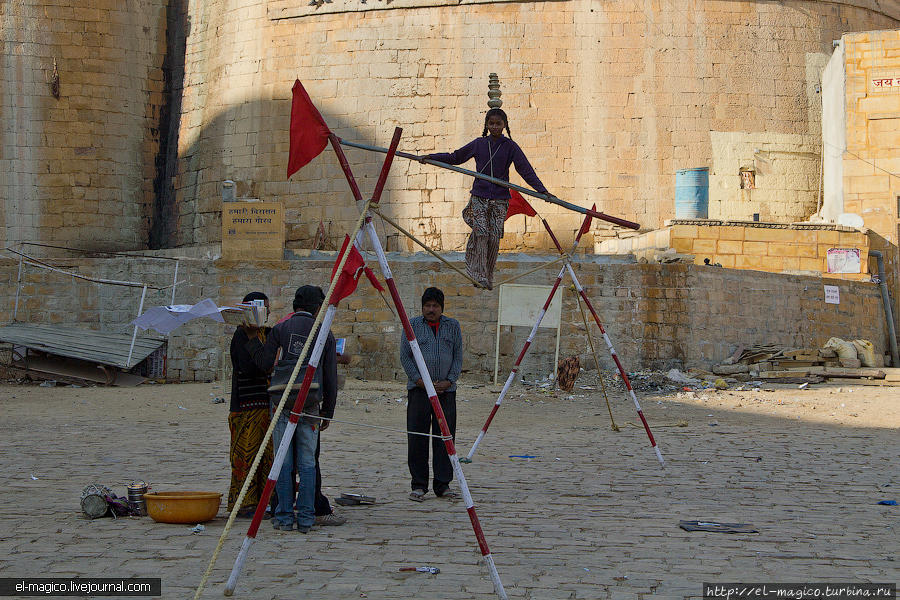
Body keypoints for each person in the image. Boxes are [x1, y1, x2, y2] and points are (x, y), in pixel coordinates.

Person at [420, 108, 554, 290]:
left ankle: (487, 276)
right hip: (480, 196)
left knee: (493, 237)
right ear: (486, 125)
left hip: (500, 199)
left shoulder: (510, 147)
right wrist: (431, 158)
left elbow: (525, 170)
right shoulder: (478, 144)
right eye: (491, 123)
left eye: (498, 124)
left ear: (504, 125)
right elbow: (456, 157)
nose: (494, 127)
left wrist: (543, 191)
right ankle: (477, 274)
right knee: (481, 232)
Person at [246, 285, 337, 532]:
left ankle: (284, 516)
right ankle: (306, 518)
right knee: (307, 462)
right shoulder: (323, 333)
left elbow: (265, 364)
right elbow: (330, 378)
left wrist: (253, 339)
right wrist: (328, 411)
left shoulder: (280, 329)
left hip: (281, 402)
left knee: (283, 462)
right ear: (318, 307)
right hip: (310, 404)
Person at [399, 287, 463, 502]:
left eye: (435, 306)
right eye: (428, 306)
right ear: (422, 307)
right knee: (417, 437)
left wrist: (449, 380)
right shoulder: (412, 326)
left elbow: (458, 356)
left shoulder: (452, 326)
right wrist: (421, 381)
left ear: (441, 308)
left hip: (446, 392)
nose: (431, 309)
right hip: (419, 391)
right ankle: (418, 485)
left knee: (445, 437)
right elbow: (405, 356)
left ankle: (443, 484)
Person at [226, 292, 275, 518]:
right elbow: (251, 367)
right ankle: (244, 503)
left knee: (265, 457)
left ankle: (263, 501)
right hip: (247, 406)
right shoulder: (241, 336)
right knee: (247, 456)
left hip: (265, 405)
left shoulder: (268, 334)